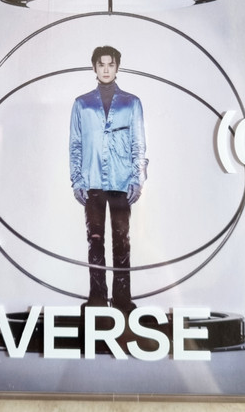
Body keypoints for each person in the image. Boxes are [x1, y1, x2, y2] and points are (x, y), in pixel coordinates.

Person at [69, 45, 148, 312]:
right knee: (95, 240)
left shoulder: (131, 103)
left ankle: (123, 300)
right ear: (94, 67)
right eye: (101, 64)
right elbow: (75, 144)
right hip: (91, 181)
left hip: (122, 181)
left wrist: (138, 178)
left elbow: (139, 143)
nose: (105, 69)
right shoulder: (82, 104)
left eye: (110, 64)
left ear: (117, 67)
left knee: (122, 240)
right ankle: (98, 299)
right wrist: (77, 180)